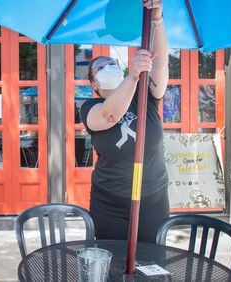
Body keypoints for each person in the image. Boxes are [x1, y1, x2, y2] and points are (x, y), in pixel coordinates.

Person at [79, 0, 169, 243]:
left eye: (111, 63)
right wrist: (132, 76)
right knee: (114, 262)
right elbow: (111, 115)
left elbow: (161, 66)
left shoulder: (144, 96)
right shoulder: (90, 108)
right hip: (110, 202)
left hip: (153, 198)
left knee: (152, 263)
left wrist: (157, 20)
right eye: (99, 67)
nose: (107, 66)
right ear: (94, 84)